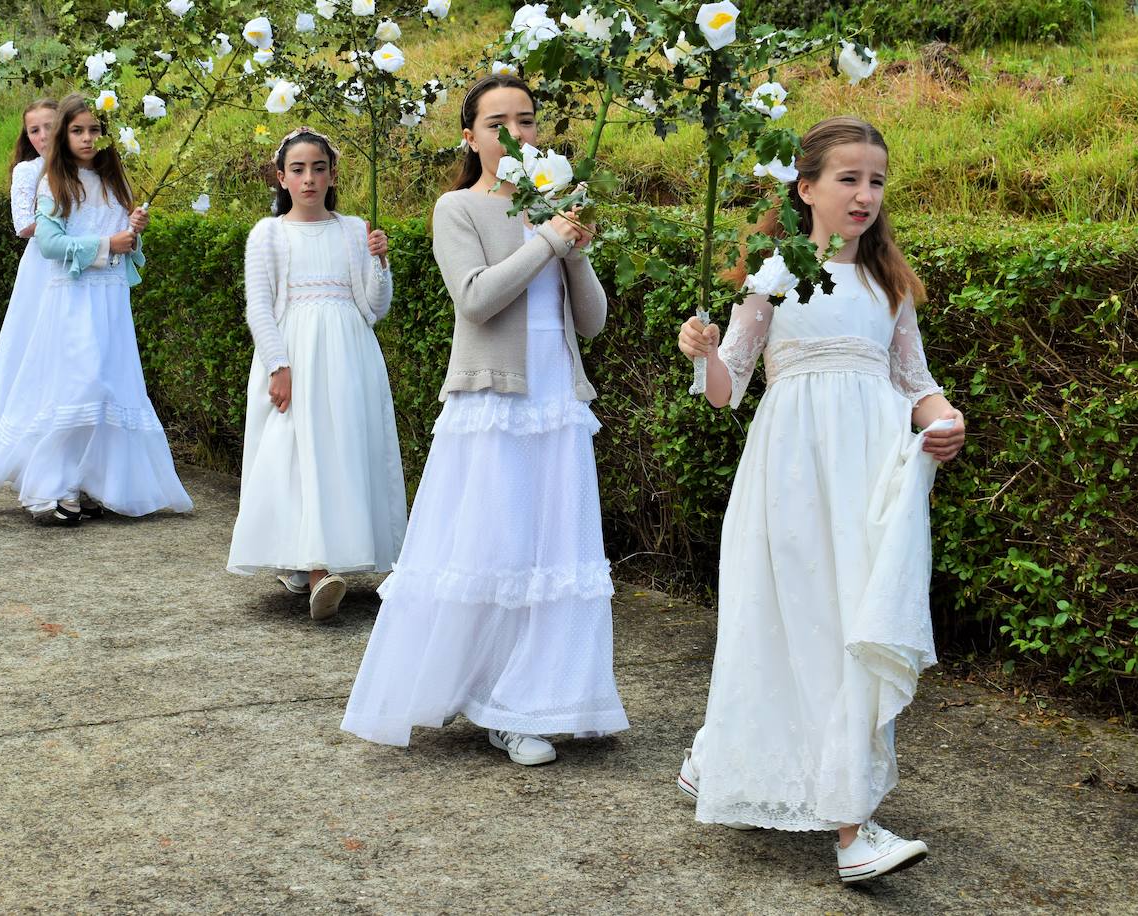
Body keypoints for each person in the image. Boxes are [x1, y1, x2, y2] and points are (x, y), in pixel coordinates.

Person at [675, 116, 966, 883]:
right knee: (795, 621)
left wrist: (947, 422)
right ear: (805, 188)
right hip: (791, 476)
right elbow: (728, 391)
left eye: (876, 180)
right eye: (848, 178)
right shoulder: (772, 274)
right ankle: (849, 828)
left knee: (853, 624)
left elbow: (915, 383)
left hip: (870, 480)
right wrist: (705, 353)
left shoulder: (888, 284)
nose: (865, 194)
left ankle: (726, 756)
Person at [341, 75, 629, 764]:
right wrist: (547, 243)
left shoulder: (555, 210)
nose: (515, 134)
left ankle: (537, 697)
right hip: (494, 405)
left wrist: (576, 246)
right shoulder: (458, 208)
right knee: (494, 549)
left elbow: (592, 323)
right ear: (470, 136)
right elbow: (476, 299)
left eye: (526, 121)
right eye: (497, 123)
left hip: (558, 403)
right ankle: (490, 700)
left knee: (551, 551)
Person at [0, 94, 192, 525]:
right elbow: (49, 244)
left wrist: (133, 235)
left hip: (111, 303)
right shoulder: (53, 184)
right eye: (77, 131)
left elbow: (128, 250)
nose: (86, 138)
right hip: (72, 299)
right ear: (63, 135)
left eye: (93, 130)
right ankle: (50, 487)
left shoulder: (115, 184)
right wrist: (104, 246)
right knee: (78, 386)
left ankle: (92, 483)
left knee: (108, 390)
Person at [226, 126, 405, 621]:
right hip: (295, 354)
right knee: (298, 454)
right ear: (281, 178)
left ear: (332, 175)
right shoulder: (269, 234)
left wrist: (380, 263)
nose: (309, 179)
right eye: (298, 170)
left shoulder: (352, 229)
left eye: (319, 169)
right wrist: (278, 365)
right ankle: (316, 569)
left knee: (344, 450)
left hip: (350, 354)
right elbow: (260, 307)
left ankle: (339, 558)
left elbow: (373, 308)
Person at [0, 98, 58, 465]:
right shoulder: (27, 172)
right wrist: (61, 222)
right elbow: (23, 225)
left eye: (49, 126)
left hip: (78, 263)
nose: (42, 136)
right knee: (32, 342)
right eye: (34, 130)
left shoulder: (85, 166)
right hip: (42, 265)